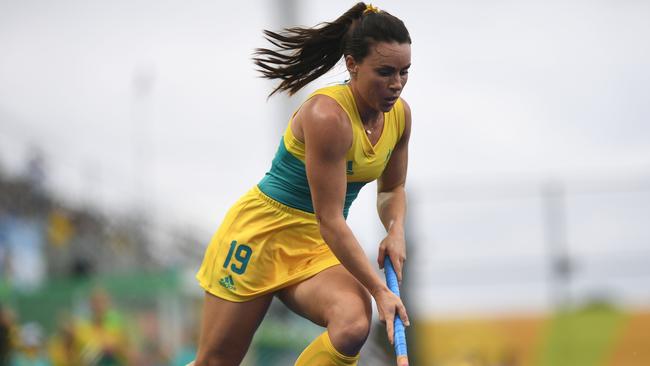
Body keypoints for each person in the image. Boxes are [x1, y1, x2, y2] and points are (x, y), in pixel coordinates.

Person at [194, 2, 412, 365]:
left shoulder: (400, 116)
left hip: (316, 243)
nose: (396, 84)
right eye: (385, 72)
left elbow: (392, 190)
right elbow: (330, 219)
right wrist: (379, 290)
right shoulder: (327, 116)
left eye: (405, 72)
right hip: (261, 236)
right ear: (352, 64)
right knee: (216, 362)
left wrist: (396, 228)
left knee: (353, 324)